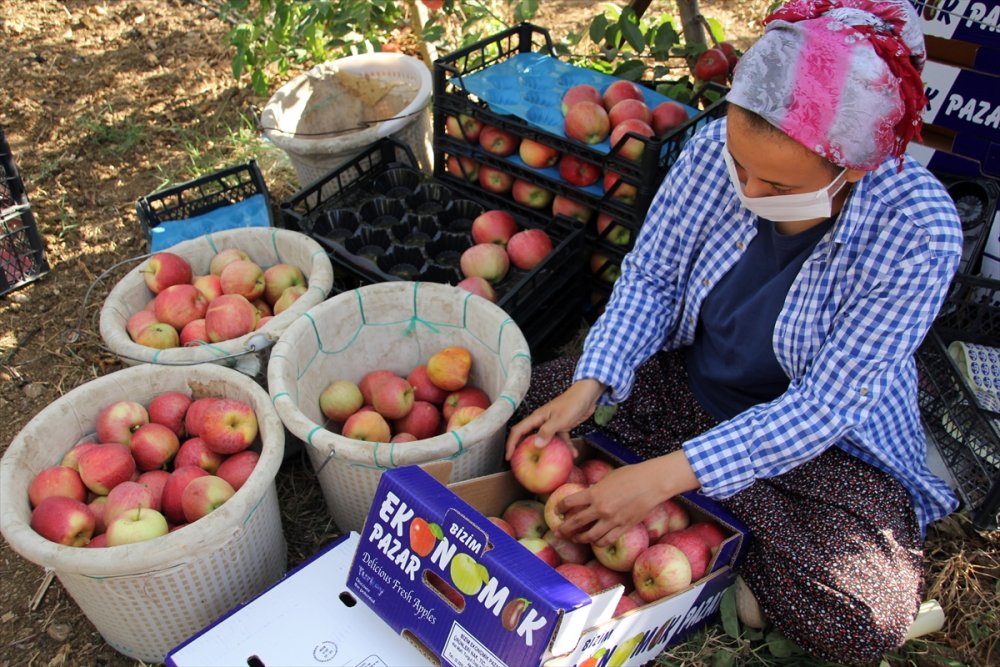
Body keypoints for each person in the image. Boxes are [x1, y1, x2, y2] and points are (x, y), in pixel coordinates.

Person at [505, 1, 963, 664]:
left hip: (824, 451)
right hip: (686, 390)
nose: (747, 188)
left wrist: (661, 477)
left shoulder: (919, 232)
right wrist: (591, 383)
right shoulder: (709, 153)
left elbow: (825, 406)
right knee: (522, 409)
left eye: (776, 182)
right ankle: (718, 529)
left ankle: (688, 500)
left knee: (865, 617)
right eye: (740, 165)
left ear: (855, 167)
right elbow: (652, 281)